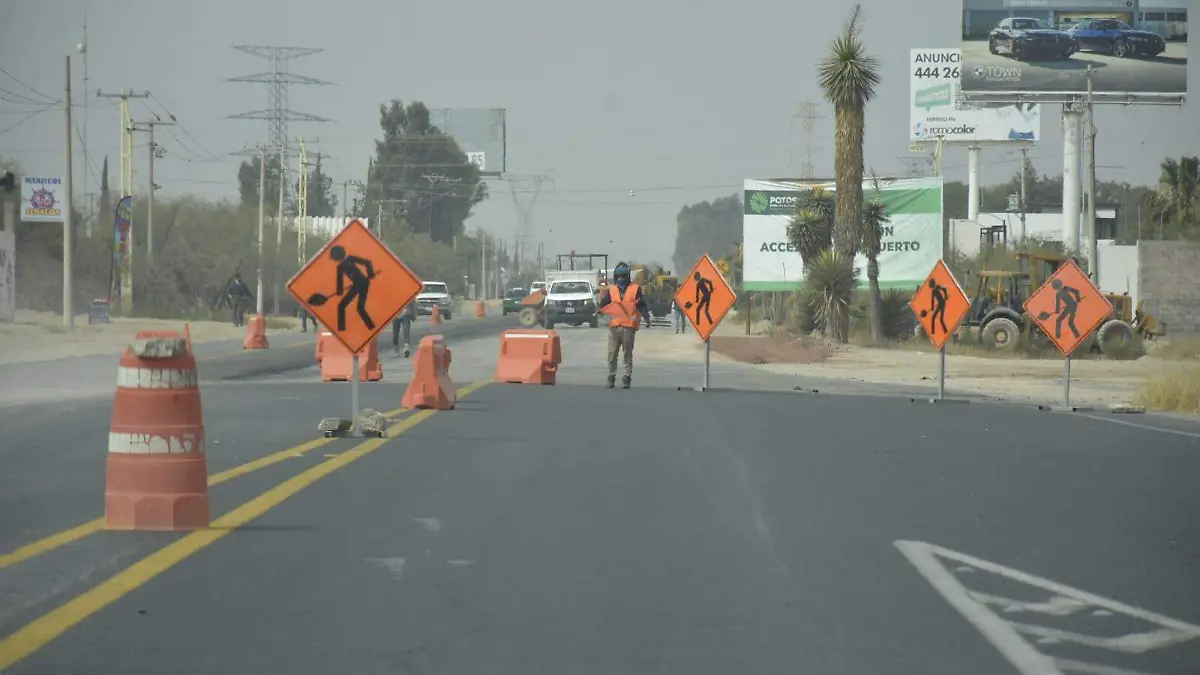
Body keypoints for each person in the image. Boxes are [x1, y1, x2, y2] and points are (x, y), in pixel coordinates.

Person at [596, 261, 652, 389]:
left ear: (628, 276)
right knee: (612, 353)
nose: (621, 279)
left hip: (629, 327)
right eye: (619, 276)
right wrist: (599, 310)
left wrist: (647, 318)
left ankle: (627, 376)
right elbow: (603, 305)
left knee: (627, 353)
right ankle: (611, 376)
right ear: (616, 277)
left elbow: (642, 305)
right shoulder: (612, 291)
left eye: (623, 276)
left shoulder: (635, 289)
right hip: (614, 327)